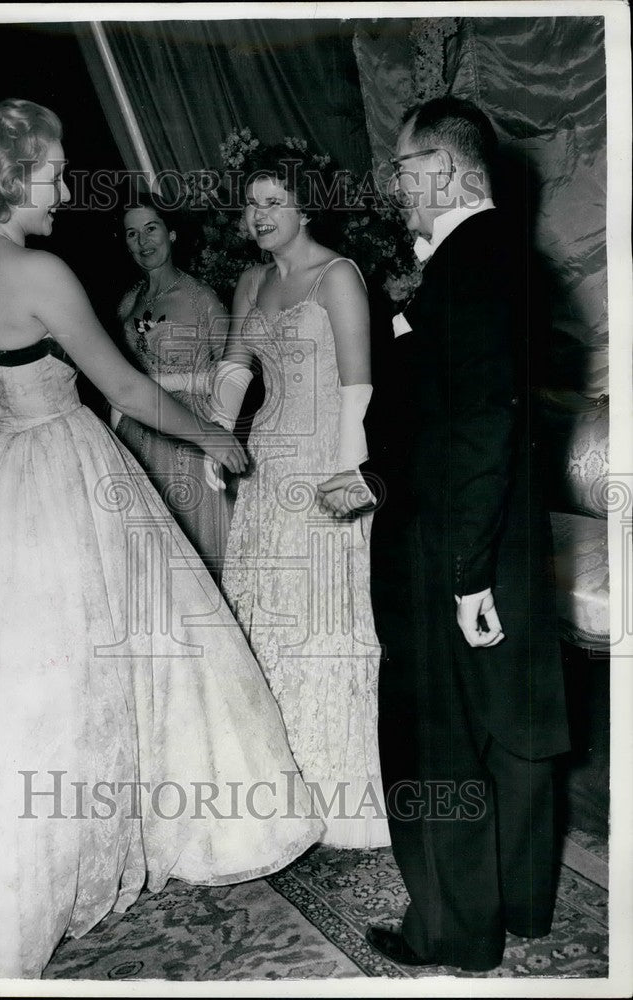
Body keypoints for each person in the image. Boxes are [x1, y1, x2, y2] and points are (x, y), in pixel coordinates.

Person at [0, 99, 322, 979]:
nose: (67, 189)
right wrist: (212, 436)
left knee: (1, 686)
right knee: (115, 660)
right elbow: (130, 388)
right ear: (9, 179)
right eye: (52, 174)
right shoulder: (37, 275)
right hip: (61, 478)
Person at [318, 96, 570, 971]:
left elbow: (479, 429)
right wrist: (375, 476)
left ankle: (454, 933)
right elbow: (457, 415)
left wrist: (465, 578)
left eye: (399, 169)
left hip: (453, 549)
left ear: (439, 169)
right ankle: (526, 905)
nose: (395, 190)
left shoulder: (467, 266)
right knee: (515, 725)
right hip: (503, 532)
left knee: (436, 741)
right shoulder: (511, 258)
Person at [210, 144, 391, 850]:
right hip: (265, 471)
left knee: (322, 625)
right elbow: (234, 369)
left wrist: (351, 473)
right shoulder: (251, 284)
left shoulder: (338, 276)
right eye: (251, 203)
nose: (258, 216)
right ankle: (274, 793)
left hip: (324, 469)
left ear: (305, 205)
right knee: (265, 621)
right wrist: (217, 442)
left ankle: (339, 793)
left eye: (272, 202)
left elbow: (358, 387)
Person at [112, 196, 231, 580]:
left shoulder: (202, 298)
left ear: (172, 233)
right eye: (132, 233)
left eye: (151, 228)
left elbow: (230, 374)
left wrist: (169, 382)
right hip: (138, 435)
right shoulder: (128, 303)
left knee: (197, 557)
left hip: (188, 436)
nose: (143, 241)